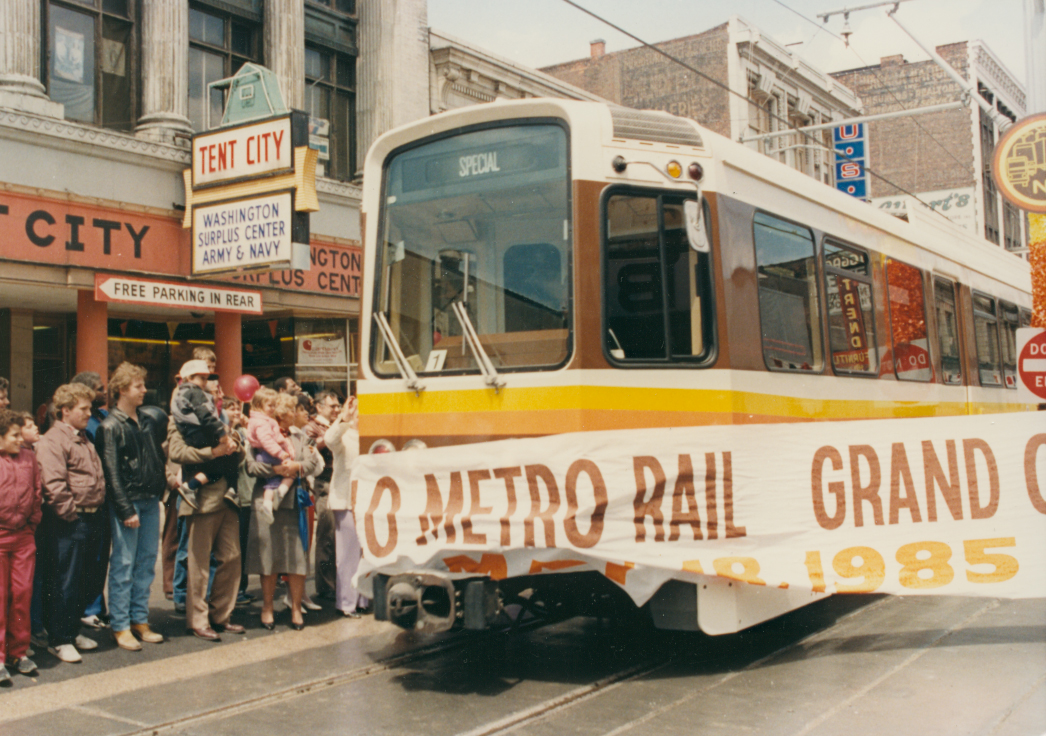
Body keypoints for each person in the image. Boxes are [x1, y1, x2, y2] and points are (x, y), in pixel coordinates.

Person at [95, 363, 167, 652]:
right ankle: (120, 623)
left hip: (149, 500)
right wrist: (125, 509)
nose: (144, 390)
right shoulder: (110, 426)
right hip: (131, 502)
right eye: (138, 386)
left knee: (146, 562)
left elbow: (156, 457)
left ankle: (139, 618)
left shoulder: (147, 420)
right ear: (122, 390)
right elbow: (111, 473)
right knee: (124, 564)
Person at [34, 383, 106, 663]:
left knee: (83, 578)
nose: (89, 413)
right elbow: (53, 484)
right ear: (65, 410)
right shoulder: (54, 440)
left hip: (90, 516)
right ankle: (59, 639)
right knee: (64, 580)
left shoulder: (83, 437)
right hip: (70, 521)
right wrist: (71, 516)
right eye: (83, 408)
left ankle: (71, 631)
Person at [166, 389, 245, 642]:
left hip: (227, 499)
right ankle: (198, 621)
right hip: (200, 501)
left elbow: (241, 454)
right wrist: (213, 452)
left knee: (231, 558)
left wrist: (233, 442)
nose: (215, 393)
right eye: (206, 385)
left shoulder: (221, 419)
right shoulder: (178, 419)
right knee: (198, 564)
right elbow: (177, 453)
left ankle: (221, 615)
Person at [247, 394, 322, 631]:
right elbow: (251, 466)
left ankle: (296, 608)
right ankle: (267, 607)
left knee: (297, 559)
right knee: (268, 558)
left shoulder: (301, 437)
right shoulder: (260, 433)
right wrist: (276, 469)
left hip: (294, 503)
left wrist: (296, 466)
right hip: (267, 503)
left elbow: (311, 463)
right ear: (281, 413)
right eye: (292, 409)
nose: (296, 413)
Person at [0, 410, 42, 682]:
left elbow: (37, 492)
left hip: (23, 537)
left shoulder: (29, 457)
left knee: (22, 595)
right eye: (14, 435)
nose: (20, 439)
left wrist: (31, 523)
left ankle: (18, 652)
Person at [70, 371, 110, 631]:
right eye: (99, 388)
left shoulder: (104, 417)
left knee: (100, 556)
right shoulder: (84, 426)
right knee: (87, 557)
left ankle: (97, 605)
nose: (104, 392)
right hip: (88, 499)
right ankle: (88, 609)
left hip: (105, 495)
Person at [170, 360, 237, 510]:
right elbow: (205, 415)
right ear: (189, 378)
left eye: (206, 379)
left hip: (192, 434)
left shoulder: (182, 394)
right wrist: (222, 434)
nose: (205, 382)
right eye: (202, 378)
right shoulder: (194, 392)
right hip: (199, 433)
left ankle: (231, 490)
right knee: (223, 461)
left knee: (221, 462)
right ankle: (192, 486)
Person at [324, 396, 368, 618]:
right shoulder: (344, 435)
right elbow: (329, 439)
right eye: (359, 414)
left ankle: (363, 599)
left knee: (366, 553)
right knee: (348, 554)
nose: (362, 418)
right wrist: (344, 418)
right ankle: (346, 603)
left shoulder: (371, 439)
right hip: (346, 501)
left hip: (367, 503)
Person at [305, 391, 339, 601]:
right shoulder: (312, 426)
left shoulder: (336, 424)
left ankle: (337, 582)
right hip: (325, 482)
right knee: (326, 534)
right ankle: (325, 586)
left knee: (338, 536)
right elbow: (311, 447)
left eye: (337, 406)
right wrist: (334, 432)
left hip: (340, 482)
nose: (336, 410)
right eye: (332, 406)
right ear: (319, 407)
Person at [246, 388, 295, 525]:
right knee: (291, 473)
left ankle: (268, 503)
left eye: (274, 405)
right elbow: (267, 440)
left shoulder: (263, 420)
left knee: (271, 484)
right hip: (269, 454)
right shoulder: (261, 422)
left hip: (266, 454)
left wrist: (283, 444)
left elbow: (275, 436)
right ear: (259, 405)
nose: (273, 408)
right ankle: (280, 493)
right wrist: (280, 452)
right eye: (270, 405)